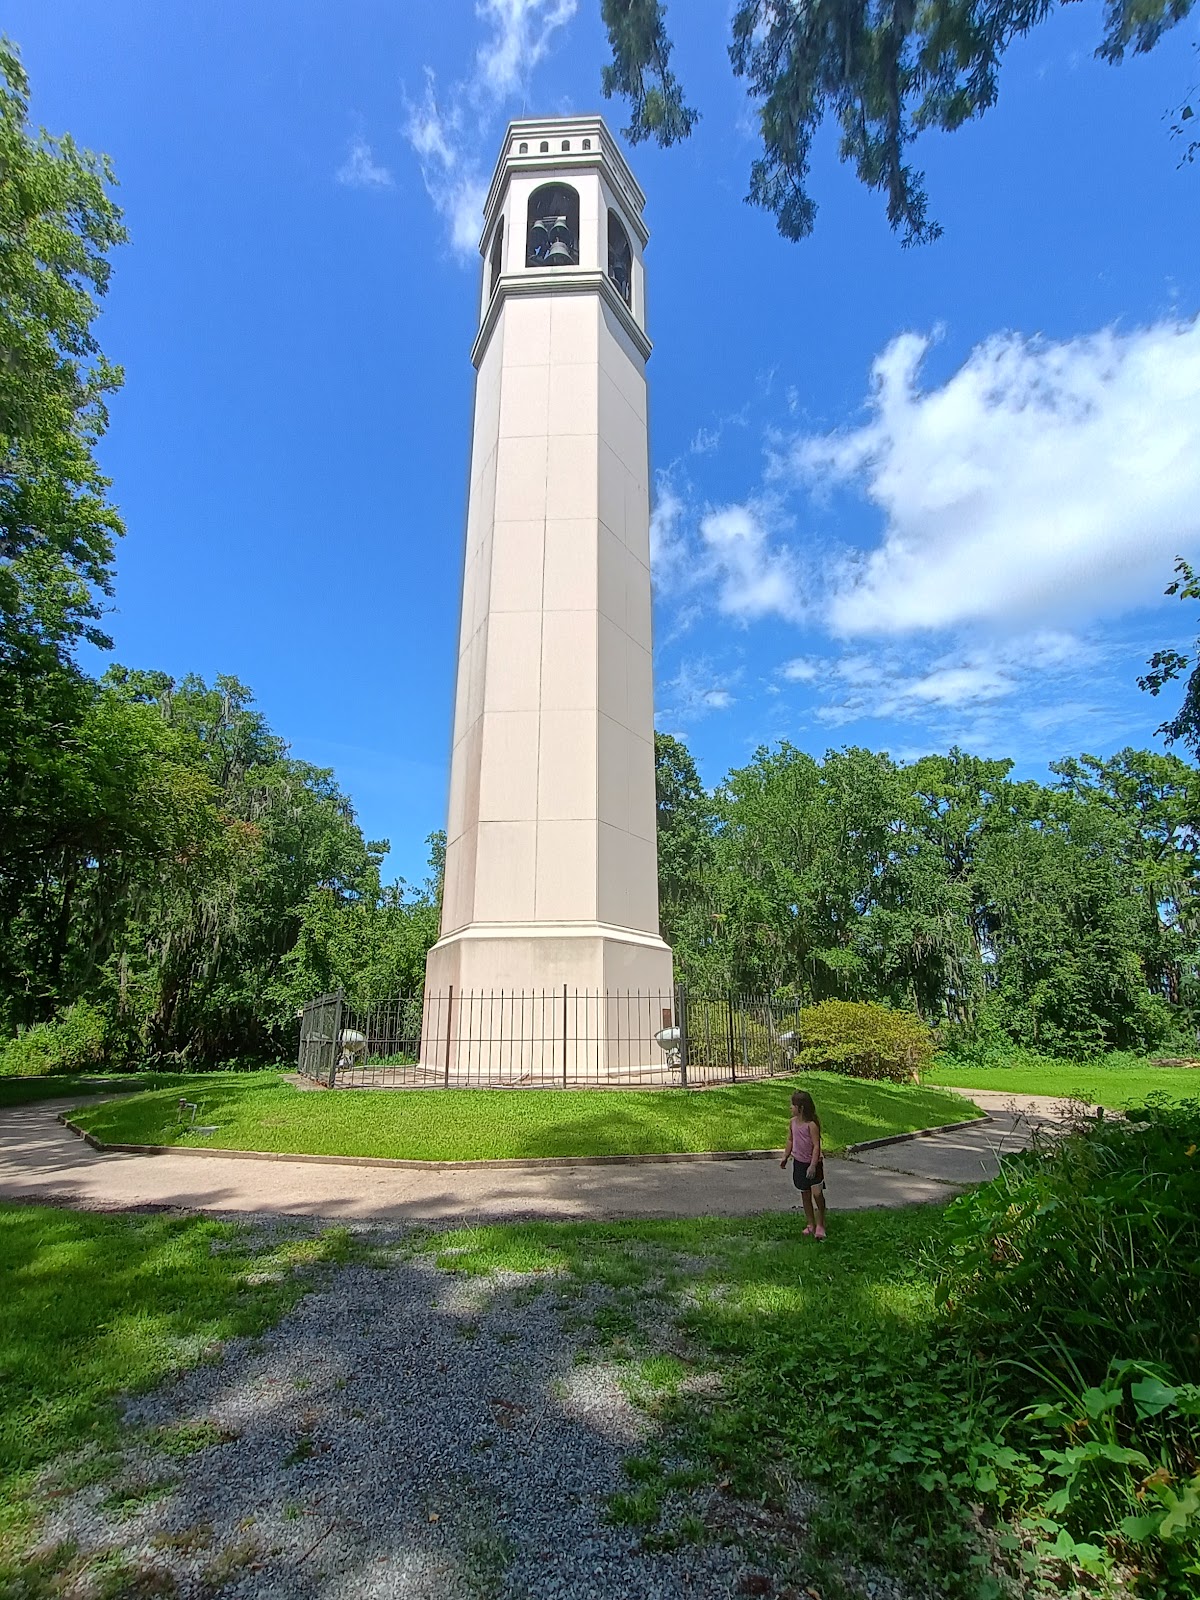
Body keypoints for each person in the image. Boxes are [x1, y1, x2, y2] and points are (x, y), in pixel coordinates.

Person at [780, 1089, 826, 1239]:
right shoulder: (792, 1123)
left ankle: (821, 1224)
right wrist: (786, 1156)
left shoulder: (811, 1125)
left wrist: (813, 1165)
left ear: (801, 1108)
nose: (790, 1108)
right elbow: (790, 1140)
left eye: (793, 1105)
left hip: (813, 1164)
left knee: (817, 1194)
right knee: (805, 1195)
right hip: (799, 1163)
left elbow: (816, 1146)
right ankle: (810, 1224)